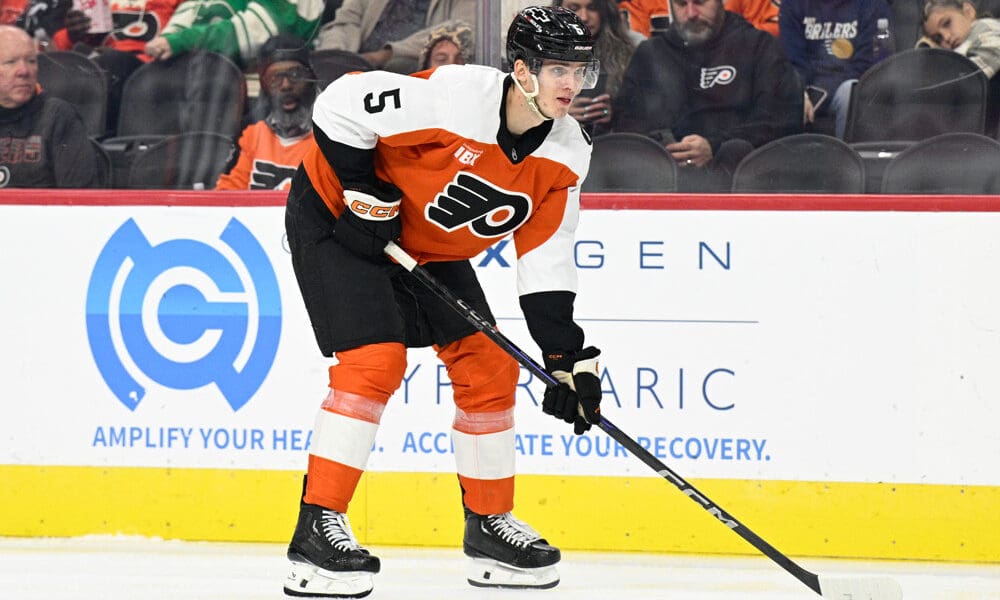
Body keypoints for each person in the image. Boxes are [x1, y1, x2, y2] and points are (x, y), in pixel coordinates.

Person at [282, 5, 604, 597]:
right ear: (522, 70)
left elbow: (546, 257)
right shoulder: (456, 97)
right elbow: (340, 102)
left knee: (489, 363)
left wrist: (565, 357)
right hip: (335, 216)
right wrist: (361, 188)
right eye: (557, 69)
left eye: (580, 71)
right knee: (374, 361)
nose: (571, 84)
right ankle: (315, 531)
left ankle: (489, 527)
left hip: (425, 243)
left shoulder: (566, 153)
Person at [611, 0, 802, 192]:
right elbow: (627, 125)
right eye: (681, 4)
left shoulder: (759, 47)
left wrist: (714, 145)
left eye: (700, 2)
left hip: (743, 183)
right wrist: (663, 145)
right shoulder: (649, 55)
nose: (691, 13)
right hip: (664, 184)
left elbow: (782, 120)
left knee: (736, 149)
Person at [0, 25, 101, 187]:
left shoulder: (57, 116)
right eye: (11, 62)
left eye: (31, 61)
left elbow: (79, 196)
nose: (24, 71)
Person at [215, 35, 315, 190]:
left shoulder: (330, 136)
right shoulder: (251, 131)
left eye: (295, 75)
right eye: (275, 78)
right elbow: (229, 191)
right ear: (263, 84)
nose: (286, 85)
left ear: (311, 78)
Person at [779, 0, 891, 138]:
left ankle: (847, 151)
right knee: (785, 93)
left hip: (850, 86)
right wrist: (800, 92)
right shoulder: (793, 4)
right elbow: (793, 59)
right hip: (807, 87)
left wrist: (826, 91)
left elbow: (866, 64)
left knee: (850, 90)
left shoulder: (872, 4)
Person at [144, 0, 323, 68]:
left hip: (269, 87)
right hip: (196, 77)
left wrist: (181, 41)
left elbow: (249, 32)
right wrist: (169, 41)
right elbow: (175, 30)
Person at [314, 0, 476, 73]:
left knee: (398, 66)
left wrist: (385, 55)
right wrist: (336, 53)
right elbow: (345, 20)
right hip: (357, 61)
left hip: (407, 65)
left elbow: (462, 26)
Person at [556, 0, 641, 136]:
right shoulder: (537, 51)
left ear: (605, 11)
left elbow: (650, 112)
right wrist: (556, 115)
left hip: (613, 142)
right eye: (574, 8)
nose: (584, 17)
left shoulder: (633, 48)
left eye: (593, 7)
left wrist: (617, 114)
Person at [919, 0, 1000, 77]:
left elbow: (970, 79)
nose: (946, 37)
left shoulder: (987, 29)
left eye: (947, 23)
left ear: (968, 11)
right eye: (938, 38)